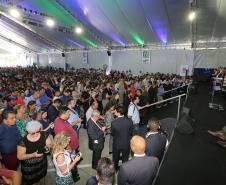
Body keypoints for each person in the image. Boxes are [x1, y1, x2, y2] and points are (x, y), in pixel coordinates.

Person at [17, 121, 52, 185]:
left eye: (38, 131)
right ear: (28, 132)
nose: (36, 134)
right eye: (33, 133)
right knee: (31, 180)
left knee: (42, 175)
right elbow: (20, 156)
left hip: (42, 163)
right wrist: (33, 155)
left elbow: (49, 144)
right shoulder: (23, 141)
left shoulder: (44, 134)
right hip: (29, 167)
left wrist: (48, 147)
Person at [54, 106, 80, 181]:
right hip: (69, 148)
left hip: (72, 146)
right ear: (64, 114)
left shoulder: (61, 120)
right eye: (69, 113)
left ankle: (74, 172)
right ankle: (74, 177)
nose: (70, 115)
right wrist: (70, 150)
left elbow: (67, 128)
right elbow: (63, 141)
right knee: (71, 162)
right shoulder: (61, 125)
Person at [111, 106, 133, 171]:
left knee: (115, 158)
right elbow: (131, 132)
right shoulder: (129, 121)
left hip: (117, 144)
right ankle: (124, 170)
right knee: (125, 158)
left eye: (115, 111)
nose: (114, 112)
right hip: (126, 143)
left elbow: (112, 133)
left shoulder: (114, 122)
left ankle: (115, 169)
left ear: (118, 113)